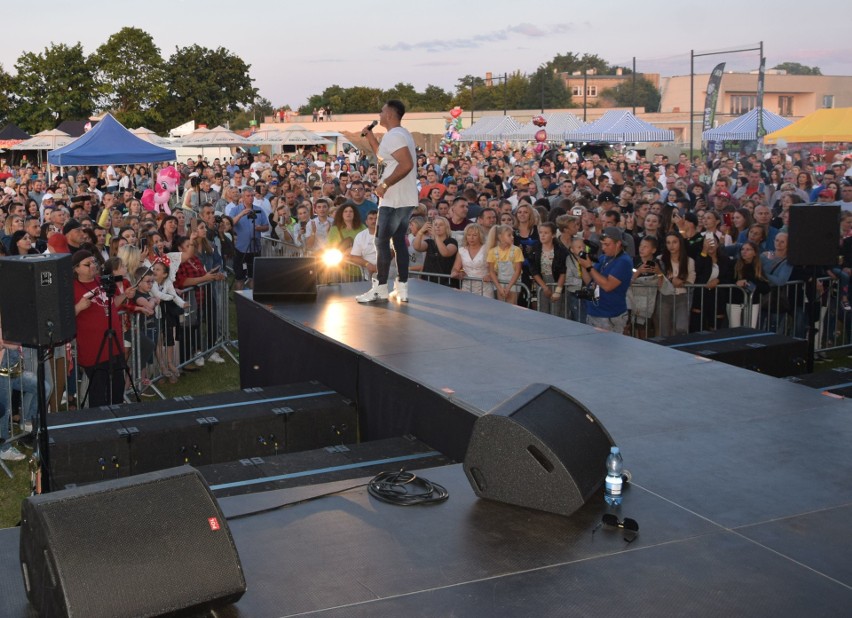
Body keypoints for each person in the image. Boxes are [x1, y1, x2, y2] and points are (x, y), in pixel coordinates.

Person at [357, 100, 417, 303]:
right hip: (405, 198)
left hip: (394, 199)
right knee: (398, 241)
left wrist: (385, 184)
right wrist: (371, 136)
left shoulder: (394, 136)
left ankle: (381, 287)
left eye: (382, 111)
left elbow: (406, 164)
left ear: (390, 114)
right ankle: (402, 288)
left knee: (381, 241)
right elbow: (383, 158)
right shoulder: (401, 134)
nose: (379, 114)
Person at [72, 250, 129, 406]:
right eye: (87, 264)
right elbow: (64, 317)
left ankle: (117, 416)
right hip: (94, 348)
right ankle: (100, 422)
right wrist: (78, 307)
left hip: (114, 343)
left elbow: (112, 305)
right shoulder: (71, 288)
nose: (93, 266)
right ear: (76, 268)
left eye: (94, 262)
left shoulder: (103, 281)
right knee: (98, 387)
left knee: (117, 385)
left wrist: (125, 295)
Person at [577, 227, 634, 333]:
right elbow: (589, 281)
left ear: (618, 244)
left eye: (607, 245)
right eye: (602, 244)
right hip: (594, 312)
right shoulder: (603, 258)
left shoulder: (624, 261)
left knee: (609, 348)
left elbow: (608, 286)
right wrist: (583, 265)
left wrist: (589, 267)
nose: (603, 248)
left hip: (610, 315)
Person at [227, 188, 269, 290]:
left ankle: (252, 302)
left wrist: (259, 228)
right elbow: (229, 224)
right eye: (247, 196)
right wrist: (241, 214)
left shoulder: (259, 210)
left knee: (253, 277)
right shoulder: (235, 210)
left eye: (252, 196)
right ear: (242, 197)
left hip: (255, 248)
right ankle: (239, 302)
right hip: (240, 249)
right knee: (240, 278)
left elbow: (267, 226)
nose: (250, 198)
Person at [487, 224, 524, 304]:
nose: (512, 237)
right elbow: (491, 271)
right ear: (500, 237)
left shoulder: (516, 250)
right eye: (509, 235)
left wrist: (508, 288)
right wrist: (499, 288)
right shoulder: (492, 251)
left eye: (512, 235)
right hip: (500, 283)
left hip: (513, 284)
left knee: (512, 306)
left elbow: (517, 271)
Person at [450, 223, 490, 296]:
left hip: (485, 287)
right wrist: (457, 273)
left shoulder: (487, 249)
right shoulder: (462, 250)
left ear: (480, 236)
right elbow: (455, 268)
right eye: (468, 235)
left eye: (474, 235)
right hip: (467, 287)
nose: (471, 238)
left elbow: (494, 269)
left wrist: (489, 275)